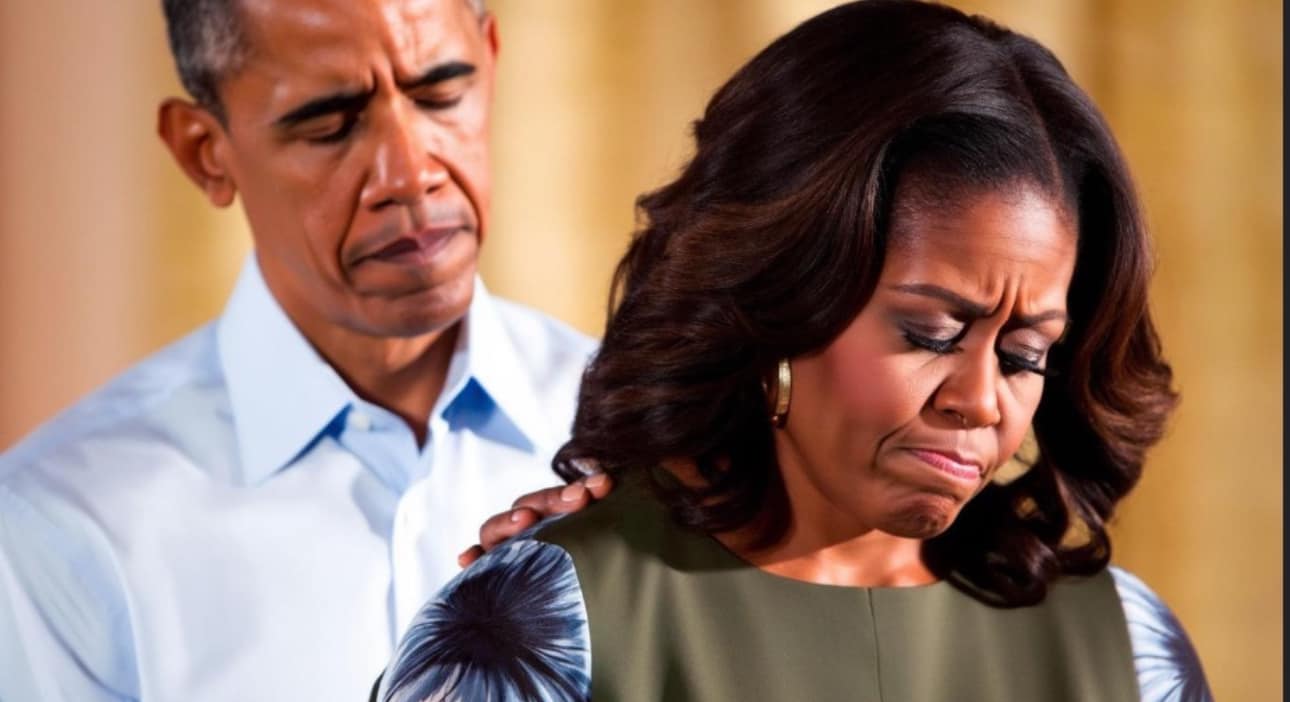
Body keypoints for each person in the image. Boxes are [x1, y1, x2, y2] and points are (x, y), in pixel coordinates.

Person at [376, 2, 1214, 701]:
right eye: (929, 334)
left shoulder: (1126, 650)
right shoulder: (547, 627)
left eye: (1024, 355)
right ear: (777, 303)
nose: (982, 399)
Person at [0, 1, 609, 699]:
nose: (410, 173)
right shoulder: (57, 530)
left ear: (491, 60)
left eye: (442, 93)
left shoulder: (656, 448)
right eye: (329, 126)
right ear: (205, 152)